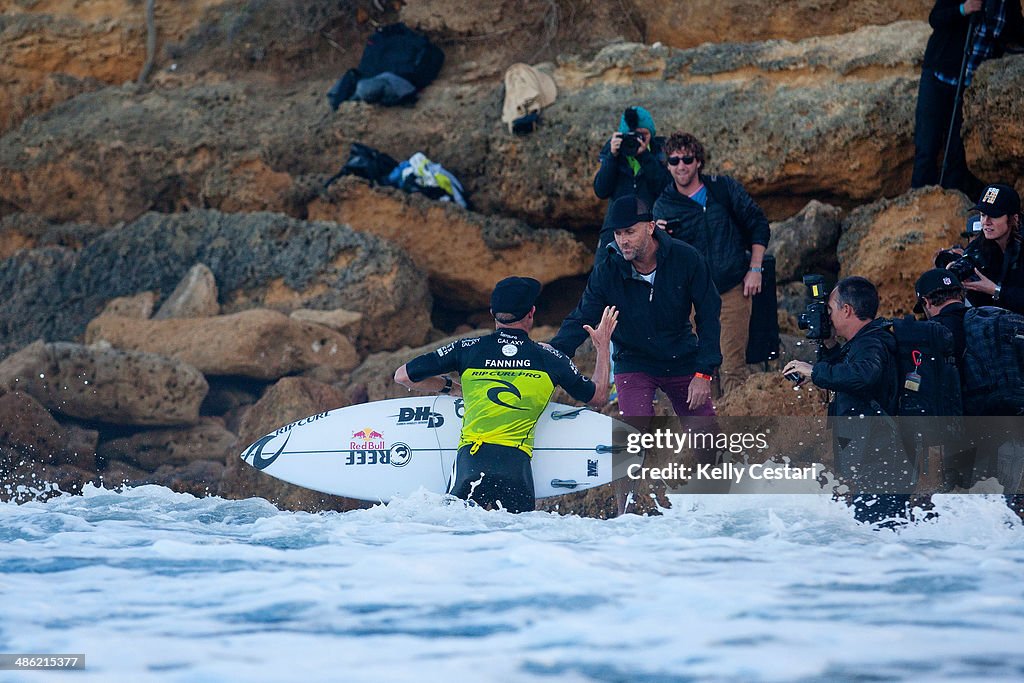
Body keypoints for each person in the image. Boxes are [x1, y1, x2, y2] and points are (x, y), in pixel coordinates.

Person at [394, 277, 618, 513]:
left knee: (457, 540)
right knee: (517, 543)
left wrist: (450, 387)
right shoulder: (550, 359)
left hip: (471, 462)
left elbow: (403, 376)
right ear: (531, 313)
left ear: (493, 313)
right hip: (516, 467)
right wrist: (602, 347)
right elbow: (598, 396)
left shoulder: (467, 349)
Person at [549, 195, 722, 417]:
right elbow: (582, 316)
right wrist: (555, 351)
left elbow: (709, 316)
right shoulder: (607, 270)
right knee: (635, 435)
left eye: (630, 232)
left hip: (680, 356)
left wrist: (703, 373)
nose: (623, 241)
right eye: (618, 233)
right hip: (633, 360)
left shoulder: (687, 258)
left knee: (706, 438)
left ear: (650, 227)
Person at [782, 277, 913, 525]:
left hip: (884, 461)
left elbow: (864, 375)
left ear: (847, 310)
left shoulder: (872, 342)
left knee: (878, 539)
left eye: (829, 310)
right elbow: (845, 373)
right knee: (881, 541)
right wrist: (829, 344)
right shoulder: (861, 343)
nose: (827, 317)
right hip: (878, 460)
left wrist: (814, 371)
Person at [652, 131, 771, 395]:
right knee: (702, 372)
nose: (681, 165)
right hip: (693, 299)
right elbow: (658, 262)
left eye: (687, 159)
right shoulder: (663, 206)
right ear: (667, 165)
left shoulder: (723, 188)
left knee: (733, 368)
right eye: (674, 160)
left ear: (698, 162)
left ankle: (737, 431)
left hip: (732, 289)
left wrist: (755, 268)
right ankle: (711, 433)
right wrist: (658, 239)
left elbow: (758, 224)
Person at [911, 0, 1010, 194]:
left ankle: (951, 206)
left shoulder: (1007, 4)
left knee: (957, 154)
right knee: (926, 147)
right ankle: (917, 206)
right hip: (938, 76)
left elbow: (1012, 33)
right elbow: (935, 18)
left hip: (970, 88)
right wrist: (963, 9)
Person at [593, 106, 670, 252]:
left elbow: (665, 189)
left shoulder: (659, 152)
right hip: (615, 230)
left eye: (643, 135)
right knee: (604, 272)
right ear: (623, 135)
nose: (638, 140)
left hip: (648, 230)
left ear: (651, 134)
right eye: (633, 135)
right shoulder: (614, 153)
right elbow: (601, 190)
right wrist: (612, 157)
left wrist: (644, 156)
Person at [953, 183, 1024, 314]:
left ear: (1014, 218)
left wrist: (995, 290)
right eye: (982, 214)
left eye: (994, 215)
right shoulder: (980, 243)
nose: (986, 221)